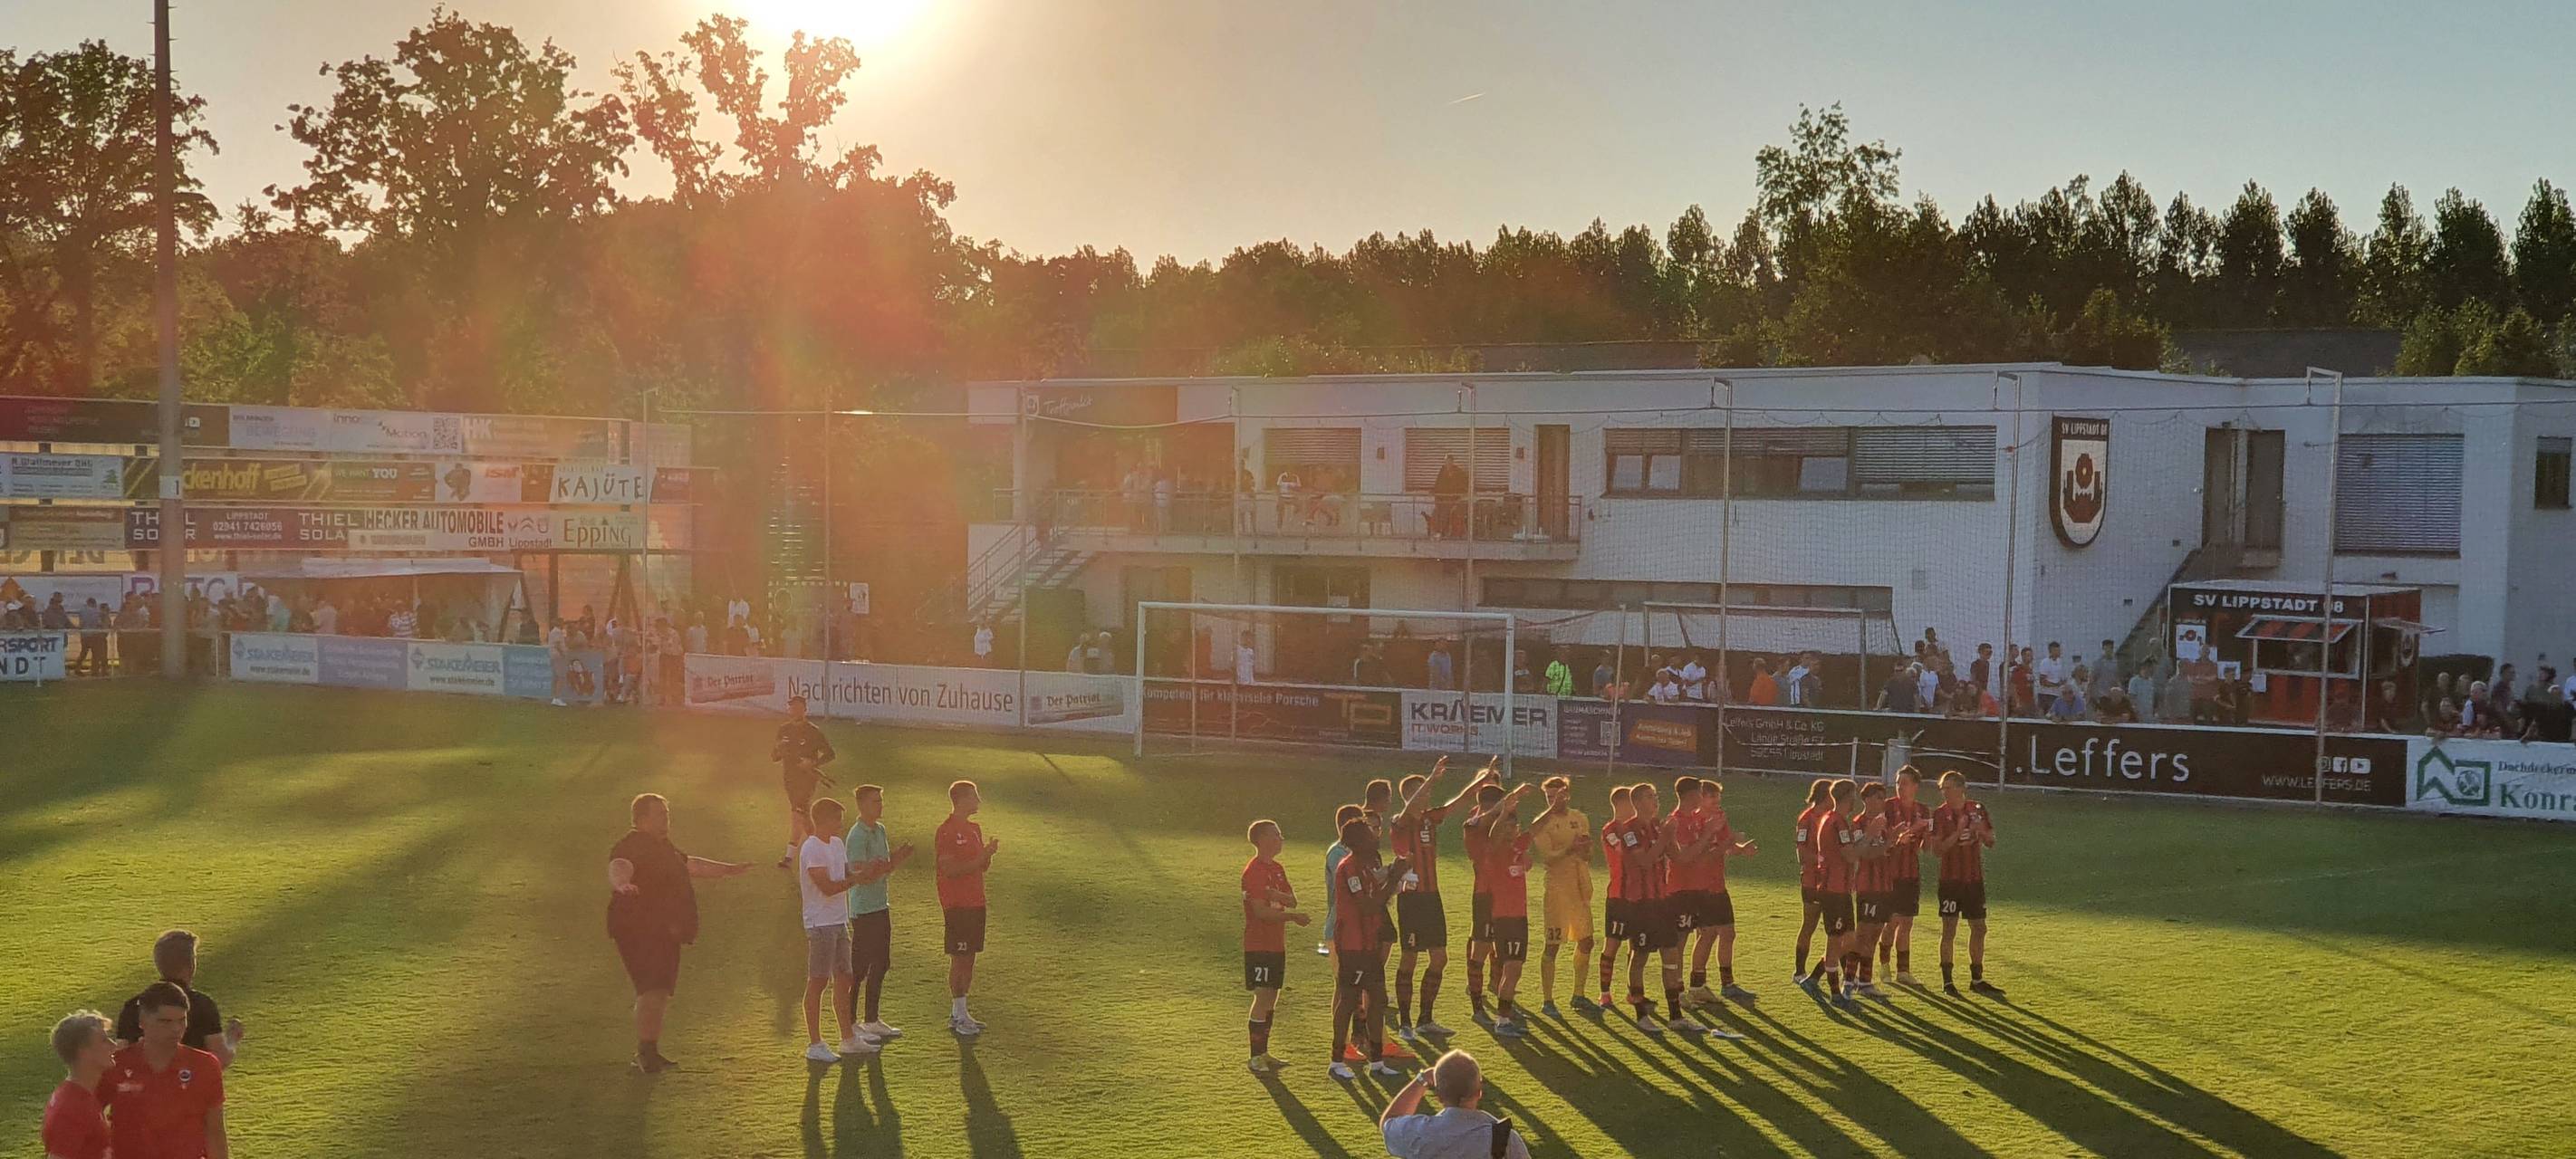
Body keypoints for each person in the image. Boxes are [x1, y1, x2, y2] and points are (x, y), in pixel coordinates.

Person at [610, 793, 752, 1072]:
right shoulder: (632, 846)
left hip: (663, 930)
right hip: (640, 929)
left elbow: (691, 865)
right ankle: (645, 1053)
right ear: (641, 819)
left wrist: (727, 870)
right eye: (660, 814)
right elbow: (619, 866)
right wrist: (622, 884)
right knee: (651, 988)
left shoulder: (663, 847)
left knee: (659, 990)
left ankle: (649, 1050)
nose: (666, 819)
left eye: (667, 814)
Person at [1390, 757, 1495, 1042]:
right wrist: (1432, 778)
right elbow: (1409, 809)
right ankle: (1405, 1022)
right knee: (1410, 957)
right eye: (1421, 793)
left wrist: (1481, 780)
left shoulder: (1429, 818)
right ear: (1410, 796)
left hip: (1432, 898)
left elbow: (1458, 802)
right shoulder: (1399, 823)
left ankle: (1425, 1018)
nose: (1426, 797)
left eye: (1427, 793)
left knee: (1439, 957)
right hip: (1410, 900)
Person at [101, 982, 226, 1159]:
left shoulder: (205, 1065)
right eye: (165, 1021)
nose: (176, 1029)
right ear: (142, 1022)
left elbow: (215, 1132)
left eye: (182, 1020)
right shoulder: (115, 1064)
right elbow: (88, 1116)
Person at [1329, 816, 1408, 1080]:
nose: (1375, 837)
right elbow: (1368, 905)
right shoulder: (1349, 868)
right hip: (1353, 947)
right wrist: (1394, 875)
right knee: (1349, 1001)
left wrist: (1393, 876)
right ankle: (1336, 1060)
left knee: (1378, 1000)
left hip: (1369, 945)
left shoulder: (1364, 866)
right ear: (1358, 841)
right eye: (1369, 834)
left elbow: (1380, 896)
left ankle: (1376, 1061)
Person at [836, 784, 914, 1049]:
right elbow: (859, 873)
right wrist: (876, 868)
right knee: (858, 968)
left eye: (880, 800)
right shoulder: (857, 836)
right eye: (874, 801)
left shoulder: (880, 830)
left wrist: (897, 859)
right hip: (863, 908)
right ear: (861, 805)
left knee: (881, 962)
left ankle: (872, 1019)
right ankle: (852, 1022)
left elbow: (884, 868)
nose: (879, 805)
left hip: (881, 905)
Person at [796, 797, 873, 1061]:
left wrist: (859, 870)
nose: (841, 824)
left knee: (845, 977)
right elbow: (827, 887)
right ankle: (815, 1044)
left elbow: (843, 870)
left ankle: (847, 1038)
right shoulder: (812, 848)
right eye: (838, 819)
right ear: (825, 819)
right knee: (818, 981)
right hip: (820, 924)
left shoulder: (837, 844)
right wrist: (855, 880)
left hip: (839, 921)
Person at [1677, 778, 1759, 1008]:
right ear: (1699, 798)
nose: (1717, 800)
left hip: (1717, 884)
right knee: (1707, 934)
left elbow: (1726, 844)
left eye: (1718, 796)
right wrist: (1727, 844)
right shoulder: (1695, 821)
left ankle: (1727, 983)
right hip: (1701, 887)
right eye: (1712, 796)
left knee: (1728, 933)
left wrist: (1742, 849)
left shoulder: (1720, 817)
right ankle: (1696, 985)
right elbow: (1705, 855)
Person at [1241, 819, 1311, 1073]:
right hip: (1258, 944)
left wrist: (1276, 895)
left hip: (1276, 944)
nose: (1281, 838)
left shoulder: (1278, 869)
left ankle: (1264, 1052)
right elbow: (1260, 912)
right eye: (1276, 834)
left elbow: (1292, 900)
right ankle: (1255, 1056)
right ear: (1262, 839)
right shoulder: (1254, 871)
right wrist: (1292, 916)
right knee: (1263, 996)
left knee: (1272, 996)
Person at [111, 931, 242, 1066]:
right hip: (189, 1083)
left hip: (145, 1084)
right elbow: (219, 1059)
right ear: (191, 964)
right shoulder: (202, 1004)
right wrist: (232, 1039)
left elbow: (119, 1058)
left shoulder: (134, 1005)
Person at [1612, 781, 1679, 1034]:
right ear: (1638, 802)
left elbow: (1678, 856)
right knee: (1639, 956)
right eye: (1650, 797)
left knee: (1670, 954)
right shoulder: (1628, 830)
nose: (1656, 801)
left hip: (1662, 901)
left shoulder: (1657, 826)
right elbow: (1645, 860)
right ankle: (1641, 1015)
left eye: (1656, 796)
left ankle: (1675, 1016)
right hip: (1639, 904)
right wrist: (1664, 837)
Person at [1525, 776, 1594, 1017]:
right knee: (1552, 944)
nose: (1553, 801)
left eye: (1558, 796)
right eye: (1549, 797)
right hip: (1557, 890)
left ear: (1567, 795)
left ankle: (1578, 995)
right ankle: (1548, 1000)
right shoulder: (1543, 823)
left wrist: (1585, 849)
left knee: (1587, 941)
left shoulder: (1579, 818)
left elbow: (1588, 855)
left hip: (1579, 887)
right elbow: (1549, 857)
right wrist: (1571, 849)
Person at [1930, 771, 2004, 997]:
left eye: (1949, 788)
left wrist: (1978, 830)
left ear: (1962, 788)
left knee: (1979, 928)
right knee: (1949, 929)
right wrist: (1959, 831)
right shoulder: (1940, 815)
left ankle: (1977, 978)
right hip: (1950, 881)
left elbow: (1991, 841)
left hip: (1973, 880)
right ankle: (1948, 982)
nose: (1945, 792)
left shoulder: (1977, 810)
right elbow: (1937, 849)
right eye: (1943, 788)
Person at [1379, 1049, 1530, 1159]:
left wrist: (1422, 1079)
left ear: (1438, 1096)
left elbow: (1389, 1122)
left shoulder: (1419, 1132)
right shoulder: (1504, 1138)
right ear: (1479, 1092)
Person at [936, 780, 1000, 1036]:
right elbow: (949, 869)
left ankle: (962, 1013)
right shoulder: (948, 831)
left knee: (970, 959)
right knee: (960, 959)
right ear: (961, 800)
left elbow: (981, 866)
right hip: (957, 904)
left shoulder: (974, 829)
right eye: (974, 797)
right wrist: (980, 858)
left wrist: (987, 855)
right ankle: (956, 1013)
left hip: (976, 902)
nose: (978, 801)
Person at [1473, 790, 1538, 1038]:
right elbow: (1493, 835)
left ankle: (1505, 1016)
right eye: (1507, 828)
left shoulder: (1518, 851)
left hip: (1520, 918)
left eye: (1514, 827)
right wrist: (1504, 815)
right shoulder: (1495, 851)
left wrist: (1553, 809)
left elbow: (1534, 831)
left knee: (1516, 968)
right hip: (1505, 918)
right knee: (1511, 968)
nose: (1511, 832)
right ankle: (1502, 1021)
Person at [1800, 780, 1863, 1009]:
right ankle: (1836, 994)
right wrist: (1870, 836)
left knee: (1849, 939)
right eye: (1854, 795)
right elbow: (1850, 855)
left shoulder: (1835, 820)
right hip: (1832, 890)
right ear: (1848, 796)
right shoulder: (1836, 823)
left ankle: (1813, 978)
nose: (1856, 799)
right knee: (1835, 941)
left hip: (1841, 890)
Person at [1876, 767, 1934, 987]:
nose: (1900, 787)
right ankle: (1884, 965)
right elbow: (1886, 842)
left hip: (1911, 873)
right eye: (1898, 783)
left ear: (1915, 786)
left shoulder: (1923, 810)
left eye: (1905, 783)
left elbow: (1926, 848)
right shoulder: (1888, 807)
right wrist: (1910, 831)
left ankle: (1903, 970)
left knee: (1907, 923)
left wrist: (1926, 834)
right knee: (1892, 922)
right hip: (1891, 873)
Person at [771, 696, 839, 868]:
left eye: (798, 708)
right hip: (789, 780)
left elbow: (830, 753)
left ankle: (789, 856)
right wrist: (778, 749)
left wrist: (813, 763)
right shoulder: (783, 730)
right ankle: (821, 849)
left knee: (797, 811)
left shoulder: (813, 732)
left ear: (805, 710)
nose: (795, 711)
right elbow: (774, 757)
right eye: (792, 708)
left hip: (807, 780)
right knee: (804, 816)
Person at [1848, 782, 1899, 1001]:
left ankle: (1865, 981)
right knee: (1862, 935)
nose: (1881, 801)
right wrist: (1888, 842)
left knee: (1876, 932)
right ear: (1866, 799)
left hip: (1885, 886)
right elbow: (1865, 854)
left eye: (1883, 797)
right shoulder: (1859, 824)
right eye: (1877, 797)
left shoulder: (1884, 823)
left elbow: (1885, 851)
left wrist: (1895, 839)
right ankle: (1849, 980)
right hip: (1867, 887)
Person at [44, 1010, 116, 1159]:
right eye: (104, 1040)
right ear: (84, 1052)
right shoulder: (71, 1109)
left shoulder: (82, 1094)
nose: (113, 1045)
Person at [1592, 784, 1635, 1012]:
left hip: (1639, 896)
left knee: (1637, 945)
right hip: (1619, 896)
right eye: (1631, 802)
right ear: (1620, 804)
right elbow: (1623, 852)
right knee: (1612, 944)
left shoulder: (1636, 827)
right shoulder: (1610, 829)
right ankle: (1605, 993)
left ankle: (1633, 991)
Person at [1790, 777, 1833, 982]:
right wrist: (1823, 858)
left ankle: (1838, 974)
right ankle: (1799, 971)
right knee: (1810, 925)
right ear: (1826, 796)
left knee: (1837, 929)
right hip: (1811, 881)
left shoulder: (1832, 818)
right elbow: (1801, 854)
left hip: (1832, 881)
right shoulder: (1806, 819)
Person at [1320, 803, 1362, 959]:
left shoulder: (1357, 850)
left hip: (1354, 926)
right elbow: (1351, 883)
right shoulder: (1338, 853)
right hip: (1339, 926)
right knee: (1344, 980)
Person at [2033, 642, 2071, 715]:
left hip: (2056, 694)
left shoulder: (2060, 662)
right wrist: (2056, 684)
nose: (2060, 652)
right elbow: (2042, 681)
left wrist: (2063, 682)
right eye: (2057, 650)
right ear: (2052, 651)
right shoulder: (2045, 662)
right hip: (2046, 694)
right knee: (2046, 715)